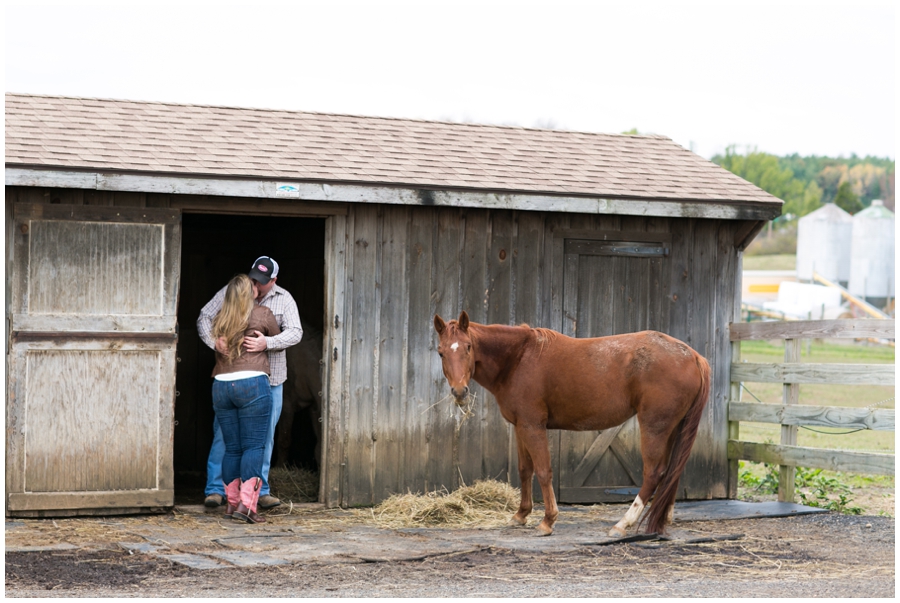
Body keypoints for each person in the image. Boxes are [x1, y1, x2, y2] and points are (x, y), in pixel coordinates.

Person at [198, 256, 303, 509]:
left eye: (263, 281)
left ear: (274, 281)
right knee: (224, 436)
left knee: (263, 437)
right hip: (234, 376)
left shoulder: (283, 299)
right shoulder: (234, 291)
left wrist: (266, 343)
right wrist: (215, 342)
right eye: (254, 278)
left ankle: (259, 490)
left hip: (271, 379)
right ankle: (215, 489)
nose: (256, 284)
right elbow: (204, 316)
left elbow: (295, 332)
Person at [210, 274, 281, 523]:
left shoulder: (219, 319)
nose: (256, 287)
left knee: (232, 448)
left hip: (221, 386)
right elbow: (277, 337)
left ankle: (231, 505)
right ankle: (247, 507)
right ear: (249, 294)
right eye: (253, 286)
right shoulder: (262, 313)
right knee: (253, 447)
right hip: (252, 384)